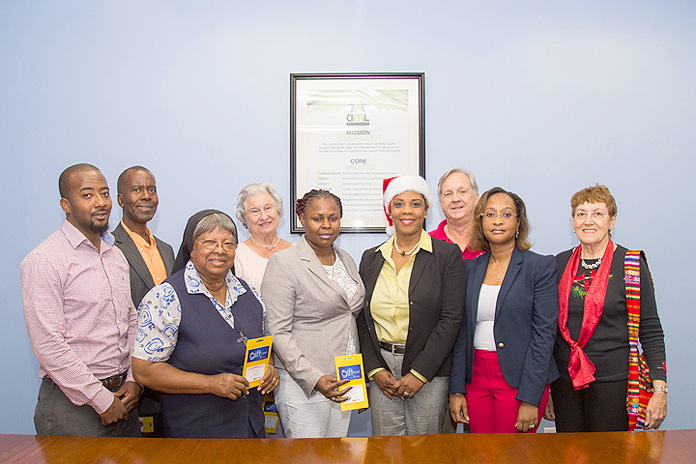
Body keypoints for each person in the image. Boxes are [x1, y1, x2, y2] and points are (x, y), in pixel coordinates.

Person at [131, 210, 278, 438]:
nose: (219, 250)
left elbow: (259, 347)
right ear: (191, 248)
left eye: (228, 243)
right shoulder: (166, 297)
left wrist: (269, 369)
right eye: (209, 242)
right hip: (196, 433)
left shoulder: (250, 294)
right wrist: (210, 384)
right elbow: (144, 371)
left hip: (250, 429)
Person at [21, 163, 142, 437]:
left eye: (105, 193)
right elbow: (48, 344)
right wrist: (100, 400)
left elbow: (131, 320)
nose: (101, 203)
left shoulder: (116, 255)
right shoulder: (45, 259)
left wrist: (135, 379)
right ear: (66, 204)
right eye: (87, 195)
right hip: (73, 406)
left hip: (124, 398)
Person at [545, 185, 667, 431]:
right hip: (565, 382)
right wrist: (546, 387)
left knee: (608, 455)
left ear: (612, 221)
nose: (588, 221)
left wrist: (660, 389)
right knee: (570, 455)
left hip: (614, 382)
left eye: (598, 214)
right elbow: (548, 331)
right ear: (573, 221)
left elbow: (651, 329)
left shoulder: (630, 265)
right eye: (581, 214)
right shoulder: (557, 264)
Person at [357, 175, 466, 436]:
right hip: (383, 370)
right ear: (389, 210)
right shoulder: (371, 258)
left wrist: (419, 373)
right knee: (388, 451)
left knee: (423, 451)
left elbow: (451, 320)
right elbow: (361, 318)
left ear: (427, 210)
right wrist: (374, 369)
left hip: (428, 368)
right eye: (399, 204)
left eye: (415, 204)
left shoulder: (447, 256)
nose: (407, 210)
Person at [449, 187, 558, 433]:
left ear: (519, 222)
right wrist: (456, 390)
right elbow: (460, 332)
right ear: (480, 222)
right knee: (481, 453)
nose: (497, 220)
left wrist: (531, 398)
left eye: (507, 214)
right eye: (490, 214)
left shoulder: (539, 267)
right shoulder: (468, 268)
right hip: (475, 378)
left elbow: (544, 336)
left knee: (516, 454)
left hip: (520, 379)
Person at [262, 190, 366, 438]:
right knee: (307, 457)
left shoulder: (345, 258)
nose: (326, 225)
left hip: (345, 378)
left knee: (337, 454)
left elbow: (348, 315)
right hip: (306, 383)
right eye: (317, 218)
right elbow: (277, 331)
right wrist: (314, 377)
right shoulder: (284, 263)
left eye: (333, 218)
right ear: (301, 218)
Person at [112, 165, 175, 438]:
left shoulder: (166, 249)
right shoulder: (109, 248)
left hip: (168, 375)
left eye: (152, 189)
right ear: (120, 199)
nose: (146, 196)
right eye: (137, 189)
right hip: (131, 374)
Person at [234, 182, 292, 290]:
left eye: (268, 208)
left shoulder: (298, 251)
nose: (264, 216)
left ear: (278, 211)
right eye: (255, 211)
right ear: (244, 218)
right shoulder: (237, 256)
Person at [429, 167, 484, 260]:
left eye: (462, 192)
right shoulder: (427, 243)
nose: (455, 199)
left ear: (476, 199)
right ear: (441, 204)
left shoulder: (489, 239)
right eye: (448, 194)